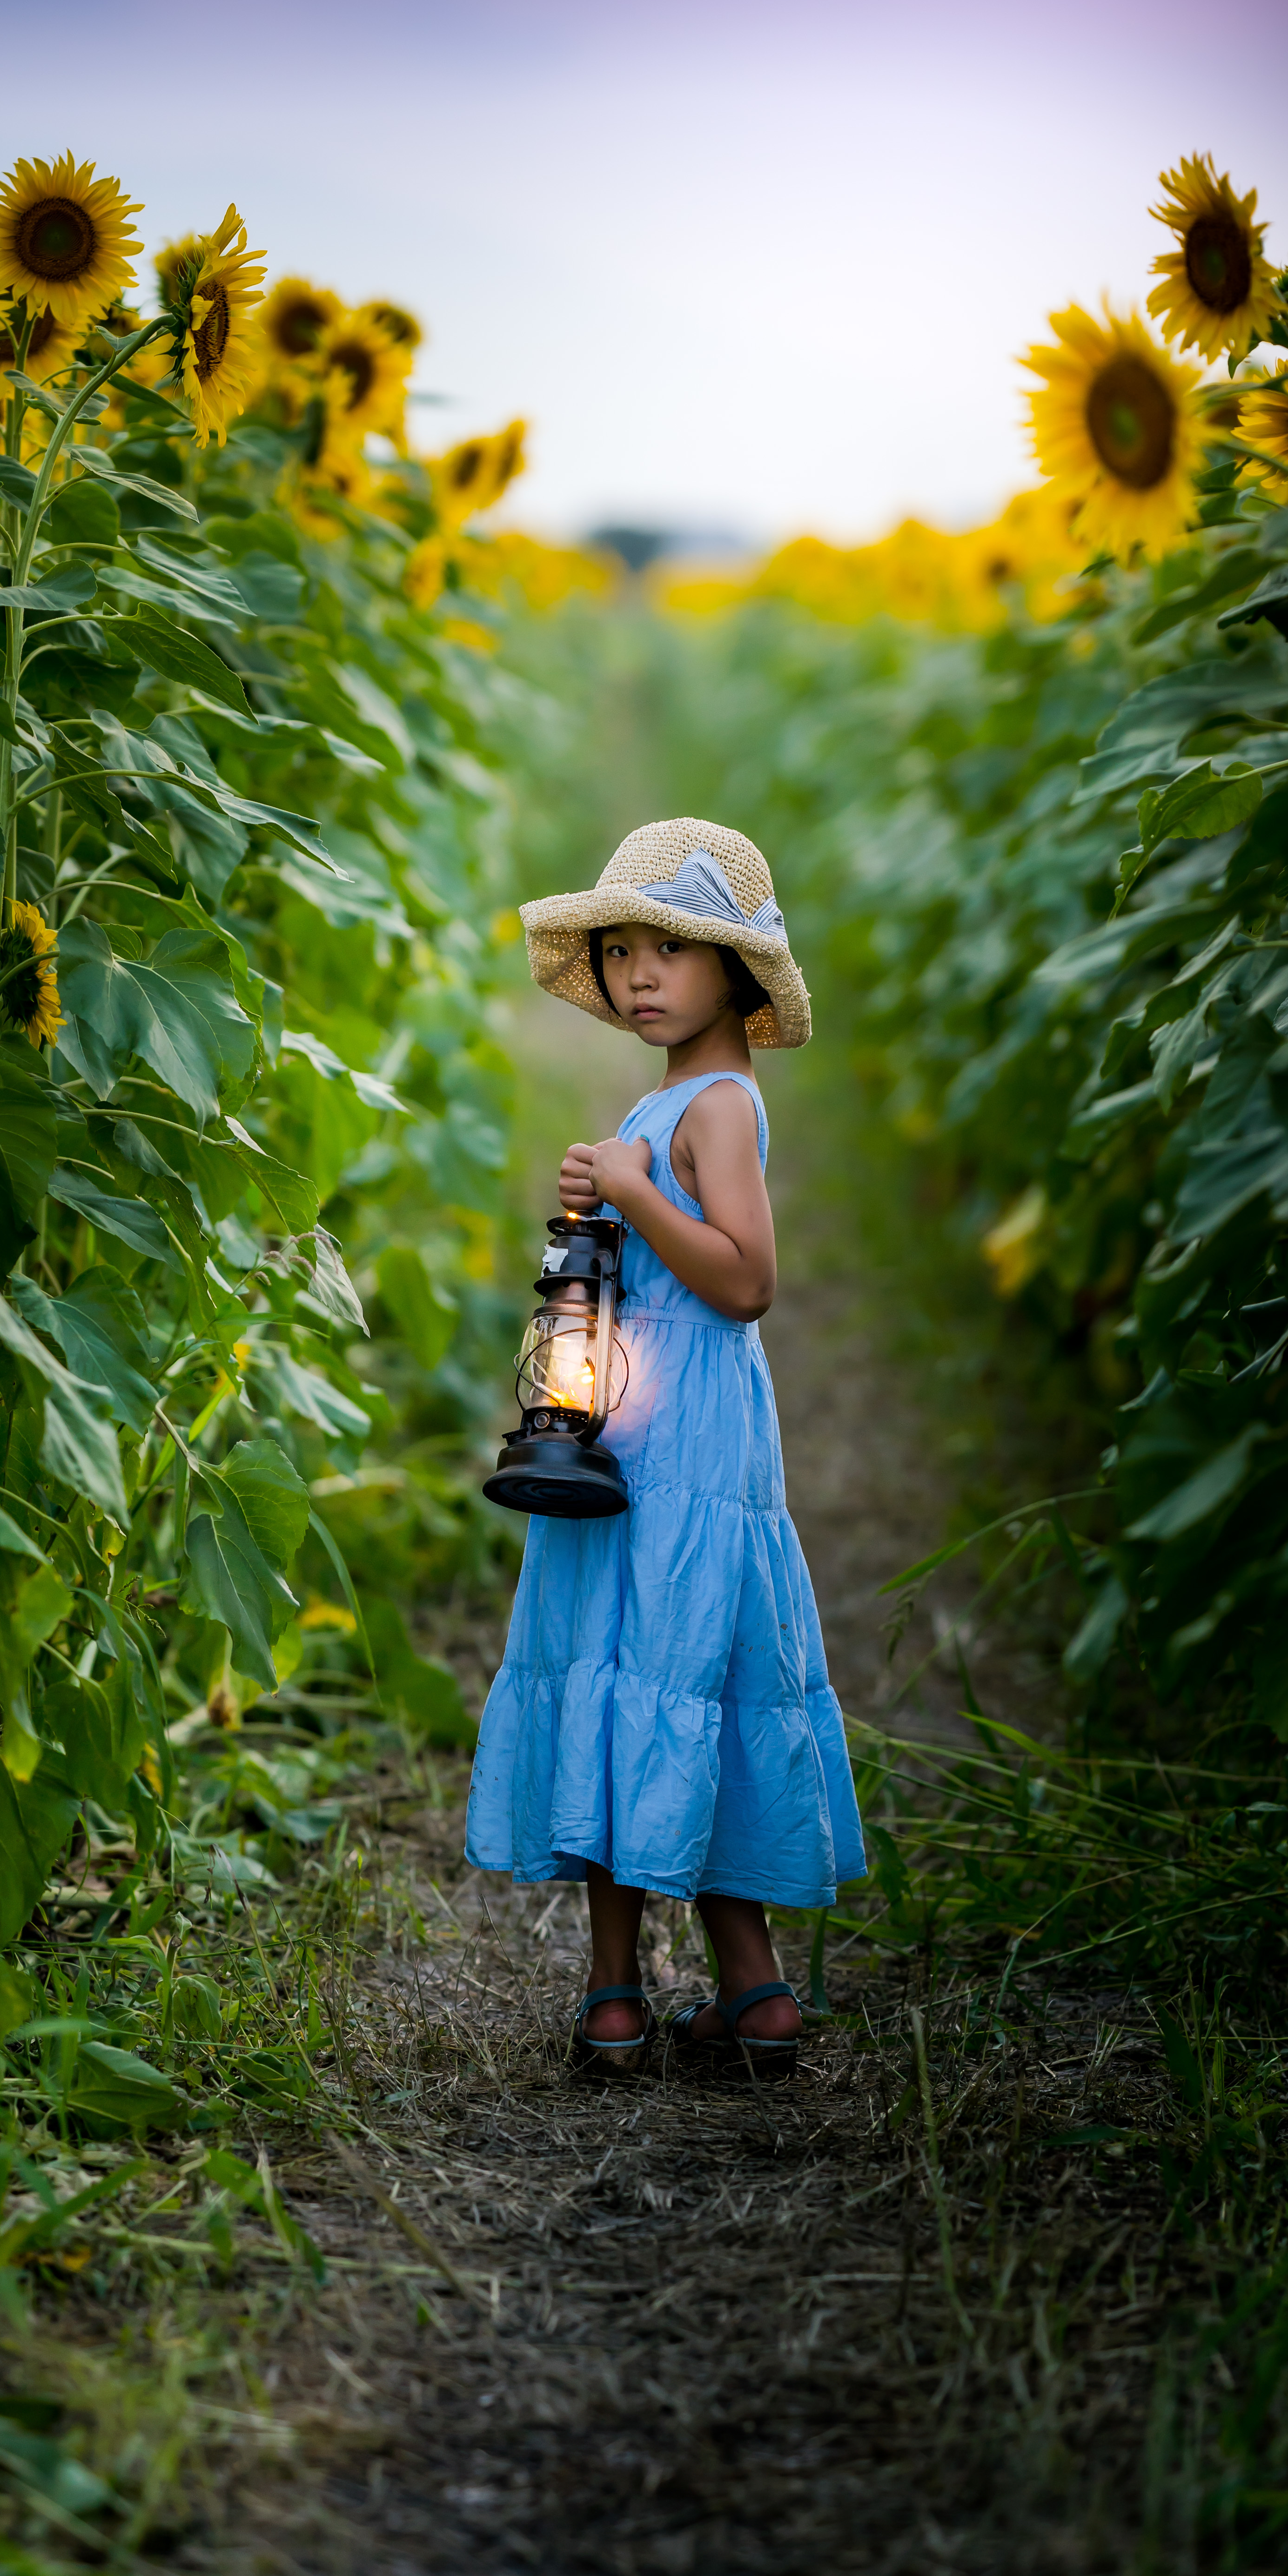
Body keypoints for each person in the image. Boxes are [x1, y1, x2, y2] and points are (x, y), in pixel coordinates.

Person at [467, 817, 865, 2078]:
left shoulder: (723, 1106)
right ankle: (719, 1997)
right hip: (640, 1433)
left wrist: (636, 1194)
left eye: (672, 952)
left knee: (668, 1667)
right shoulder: (669, 1101)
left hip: (688, 1453)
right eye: (625, 951)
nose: (641, 975)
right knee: (638, 1668)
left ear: (739, 975)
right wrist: (606, 1208)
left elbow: (746, 1283)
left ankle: (636, 1994)